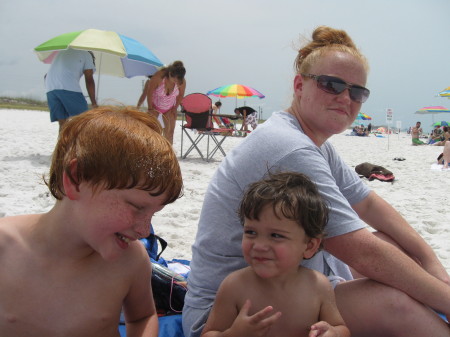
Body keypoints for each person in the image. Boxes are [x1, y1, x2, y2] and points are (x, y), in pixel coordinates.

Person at [183, 26, 450, 337]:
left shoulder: (313, 142)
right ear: (300, 85)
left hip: (290, 277)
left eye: (357, 92)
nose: (345, 98)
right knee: (394, 303)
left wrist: (430, 262)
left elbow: (368, 203)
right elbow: (360, 250)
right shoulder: (289, 146)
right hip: (236, 314)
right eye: (331, 85)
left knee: (396, 246)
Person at [0, 106, 183, 337]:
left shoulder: (131, 261)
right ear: (77, 179)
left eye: (153, 214)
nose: (145, 230)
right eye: (137, 207)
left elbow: (143, 316)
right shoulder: (5, 248)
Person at [201, 172, 350, 337]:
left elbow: (341, 328)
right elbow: (208, 334)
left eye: (276, 236)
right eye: (251, 232)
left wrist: (332, 332)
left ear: (309, 246)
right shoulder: (235, 286)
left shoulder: (318, 286)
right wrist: (233, 334)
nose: (259, 245)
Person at [45, 49, 98, 132]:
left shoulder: (62, 52)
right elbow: (89, 80)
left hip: (50, 88)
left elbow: (46, 76)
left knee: (63, 123)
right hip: (68, 88)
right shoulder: (87, 55)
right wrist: (94, 103)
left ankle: (62, 144)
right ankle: (81, 144)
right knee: (84, 121)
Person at [146, 61, 186, 145]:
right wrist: (150, 108)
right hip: (155, 107)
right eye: (174, 79)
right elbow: (149, 92)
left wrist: (175, 108)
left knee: (170, 133)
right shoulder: (158, 77)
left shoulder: (181, 81)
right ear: (170, 73)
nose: (175, 82)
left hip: (169, 108)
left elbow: (181, 95)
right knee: (153, 132)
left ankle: (167, 154)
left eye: (177, 80)